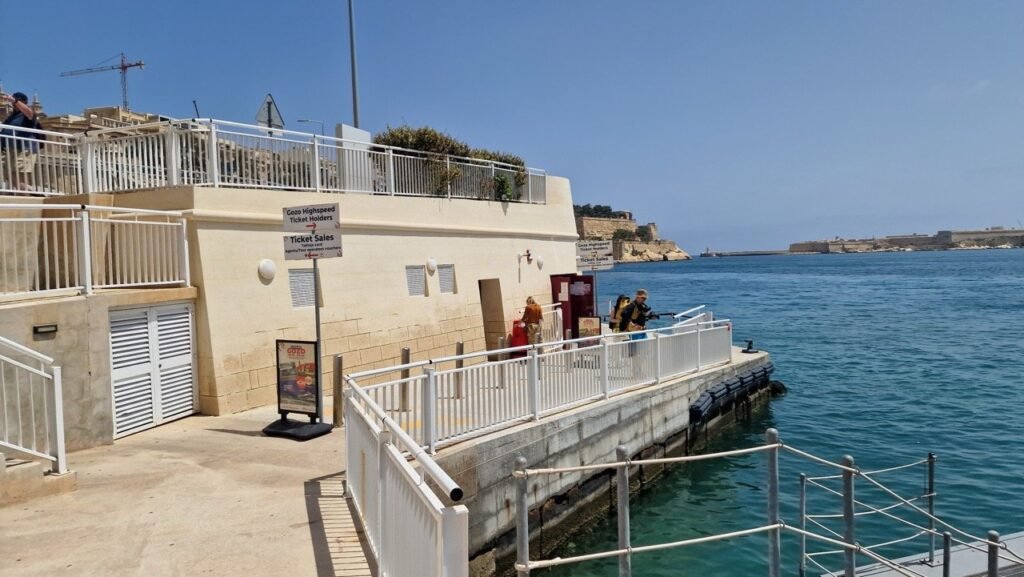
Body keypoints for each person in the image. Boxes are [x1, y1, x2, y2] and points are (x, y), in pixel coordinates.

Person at [1, 92, 40, 192]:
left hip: (23, 149)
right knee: (8, 174)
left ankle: (28, 193)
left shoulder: (27, 113)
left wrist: (15, 101)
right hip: (10, 150)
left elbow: (29, 113)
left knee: (19, 173)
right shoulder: (12, 116)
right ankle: (29, 191)